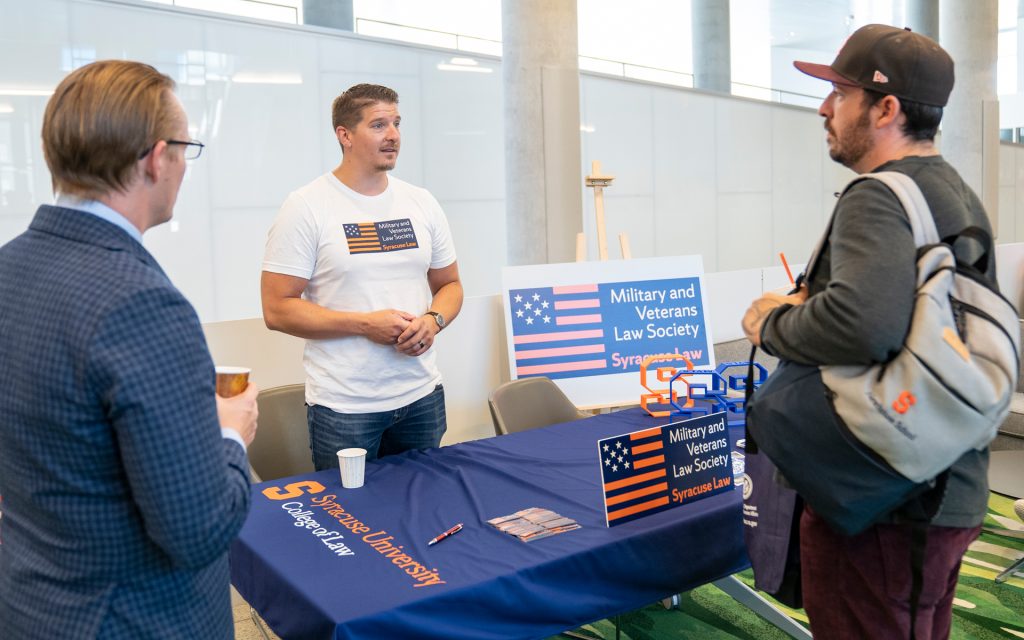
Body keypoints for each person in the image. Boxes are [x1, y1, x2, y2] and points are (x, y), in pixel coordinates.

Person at [741, 25, 991, 639]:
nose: (824, 108)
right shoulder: (954, 194)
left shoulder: (879, 196)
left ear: (886, 108)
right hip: (941, 479)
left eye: (840, 93)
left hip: (882, 496)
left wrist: (769, 321)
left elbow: (862, 325)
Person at [0, 60, 259, 638]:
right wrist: (229, 432)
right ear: (154, 158)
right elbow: (198, 529)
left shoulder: (8, 269)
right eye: (185, 149)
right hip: (133, 619)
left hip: (30, 607)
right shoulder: (143, 306)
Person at [261, 83, 462, 469]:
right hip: (345, 408)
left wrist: (432, 321)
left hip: (422, 397)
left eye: (397, 123)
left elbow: (450, 285)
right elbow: (277, 309)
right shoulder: (306, 207)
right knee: (352, 522)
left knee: (423, 511)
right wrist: (363, 324)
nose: (393, 135)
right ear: (345, 135)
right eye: (378, 125)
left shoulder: (421, 201)